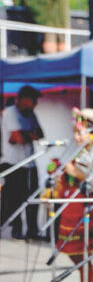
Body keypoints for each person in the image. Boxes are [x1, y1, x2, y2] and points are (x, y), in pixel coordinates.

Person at [56, 108, 93, 282]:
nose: (76, 137)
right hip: (73, 205)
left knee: (81, 254)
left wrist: (75, 172)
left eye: (81, 132)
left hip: (87, 208)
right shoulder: (79, 152)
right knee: (77, 256)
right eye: (76, 133)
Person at [0, 85, 44, 240]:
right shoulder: (11, 113)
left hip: (30, 163)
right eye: (33, 100)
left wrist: (25, 135)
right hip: (13, 163)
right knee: (15, 198)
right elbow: (16, 138)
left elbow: (40, 134)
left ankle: (33, 230)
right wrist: (27, 135)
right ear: (24, 99)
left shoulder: (31, 115)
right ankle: (16, 229)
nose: (35, 104)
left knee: (33, 196)